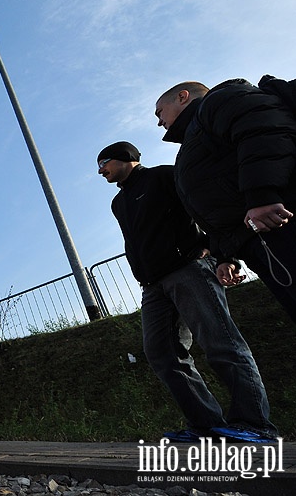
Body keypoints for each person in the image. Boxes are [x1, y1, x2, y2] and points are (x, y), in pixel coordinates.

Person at [97, 141, 277, 443]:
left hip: (189, 269)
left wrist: (224, 256)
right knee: (161, 353)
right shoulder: (118, 203)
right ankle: (206, 425)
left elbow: (205, 215)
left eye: (104, 163)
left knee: (222, 343)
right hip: (153, 286)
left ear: (125, 158)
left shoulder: (165, 177)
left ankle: (255, 423)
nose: (101, 170)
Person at [155, 79, 296, 322]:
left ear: (182, 97)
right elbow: (215, 203)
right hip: (259, 239)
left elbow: (263, 130)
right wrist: (224, 257)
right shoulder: (194, 135)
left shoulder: (219, 101)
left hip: (279, 223)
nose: (159, 121)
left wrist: (261, 195)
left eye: (160, 112)